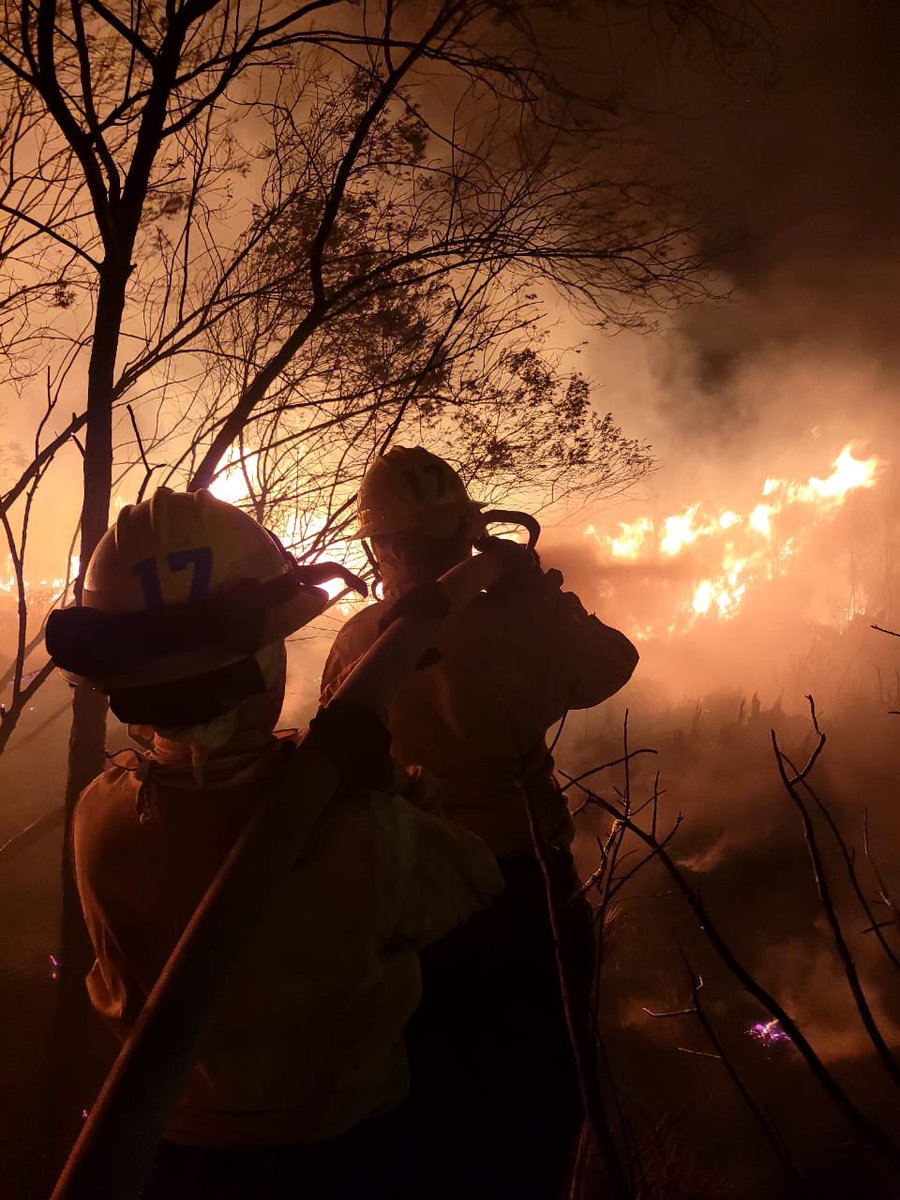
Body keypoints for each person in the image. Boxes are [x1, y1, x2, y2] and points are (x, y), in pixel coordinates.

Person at [46, 487, 503, 1200]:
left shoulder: (97, 820)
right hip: (347, 1152)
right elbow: (471, 875)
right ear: (263, 668)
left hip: (172, 1151)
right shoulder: (353, 827)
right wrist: (381, 782)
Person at [320, 446, 640, 1199]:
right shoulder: (527, 625)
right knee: (538, 1104)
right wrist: (545, 604)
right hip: (524, 890)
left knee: (421, 1102)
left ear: (381, 544)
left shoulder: (360, 640)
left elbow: (333, 749)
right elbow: (612, 665)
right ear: (467, 531)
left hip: (408, 900)